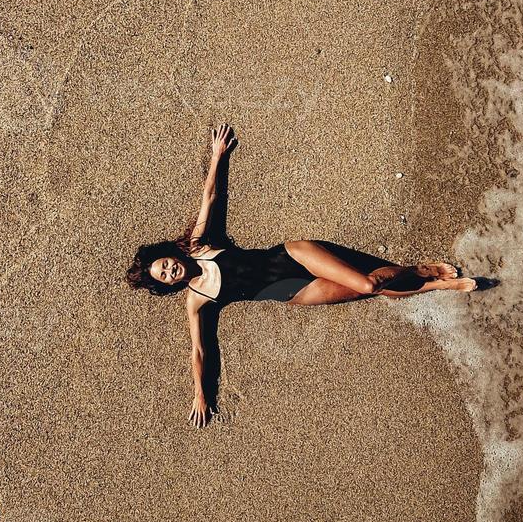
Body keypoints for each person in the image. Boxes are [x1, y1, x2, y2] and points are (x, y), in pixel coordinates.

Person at [125, 123, 488, 427]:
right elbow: (200, 350)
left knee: (366, 280)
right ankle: (436, 284)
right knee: (371, 290)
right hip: (291, 290)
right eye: (165, 276)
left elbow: (210, 196)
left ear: (169, 254)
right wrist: (200, 394)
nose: (170, 270)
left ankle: (422, 270)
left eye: (166, 263)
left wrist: (218, 155)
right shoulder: (197, 300)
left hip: (294, 255)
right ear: (167, 286)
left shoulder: (199, 244)